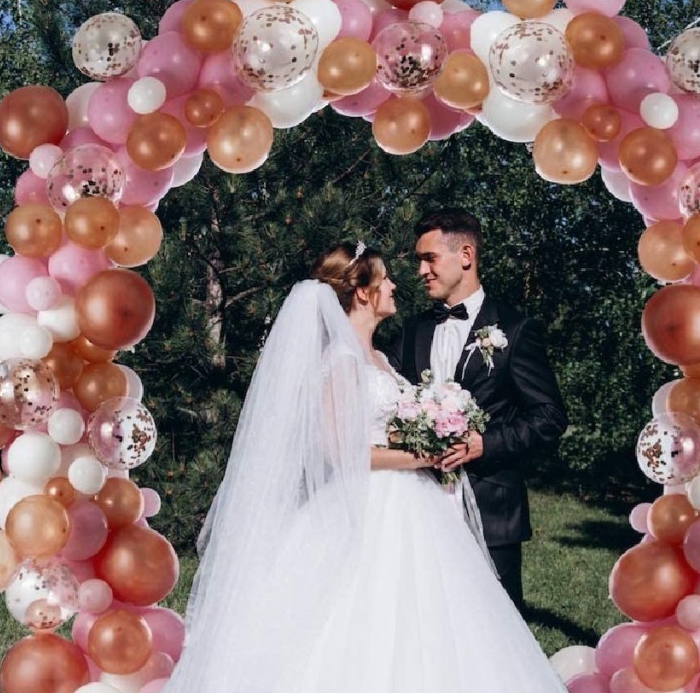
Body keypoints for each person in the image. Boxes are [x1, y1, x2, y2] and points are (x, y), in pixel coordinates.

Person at [165, 242, 568, 692]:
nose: (397, 283)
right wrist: (426, 455)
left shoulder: (382, 359)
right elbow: (343, 453)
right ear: (362, 292)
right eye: (385, 278)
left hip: (417, 500)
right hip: (370, 505)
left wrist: (433, 432)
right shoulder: (341, 360)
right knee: (361, 616)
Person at [386, 209, 567, 608]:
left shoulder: (515, 329)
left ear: (465, 255)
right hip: (421, 508)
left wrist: (486, 443)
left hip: (492, 510)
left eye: (428, 258)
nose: (420, 271)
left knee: (497, 634)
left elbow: (549, 416)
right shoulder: (414, 330)